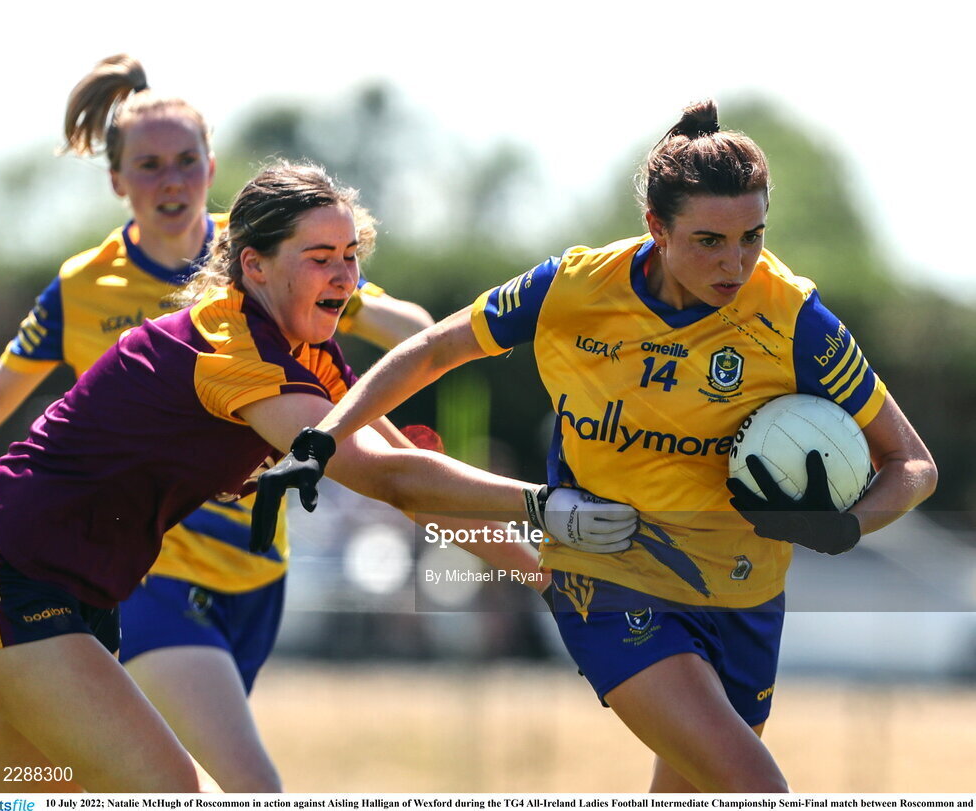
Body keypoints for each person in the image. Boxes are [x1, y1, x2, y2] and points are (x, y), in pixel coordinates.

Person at [262, 101, 938, 793]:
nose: (734, 261)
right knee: (756, 789)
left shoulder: (792, 317)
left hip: (744, 597)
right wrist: (328, 432)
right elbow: (434, 348)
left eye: (751, 237)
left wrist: (846, 524)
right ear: (655, 225)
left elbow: (912, 463)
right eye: (708, 240)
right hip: (606, 580)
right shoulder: (575, 286)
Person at [0, 159, 639, 792]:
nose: (345, 277)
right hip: (1, 570)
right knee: (169, 787)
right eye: (320, 259)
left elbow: (417, 490)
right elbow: (390, 478)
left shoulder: (308, 354)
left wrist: (550, 578)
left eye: (351, 257)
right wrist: (547, 506)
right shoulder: (233, 350)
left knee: (30, 799)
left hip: (65, 585)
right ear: (253, 265)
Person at [0, 54, 435, 792]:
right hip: (140, 570)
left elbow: (403, 338)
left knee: (42, 790)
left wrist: (419, 341)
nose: (171, 181)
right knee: (219, 789)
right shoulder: (85, 284)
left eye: (186, 161)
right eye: (148, 166)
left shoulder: (271, 262)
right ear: (117, 181)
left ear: (212, 167)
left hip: (248, 571)